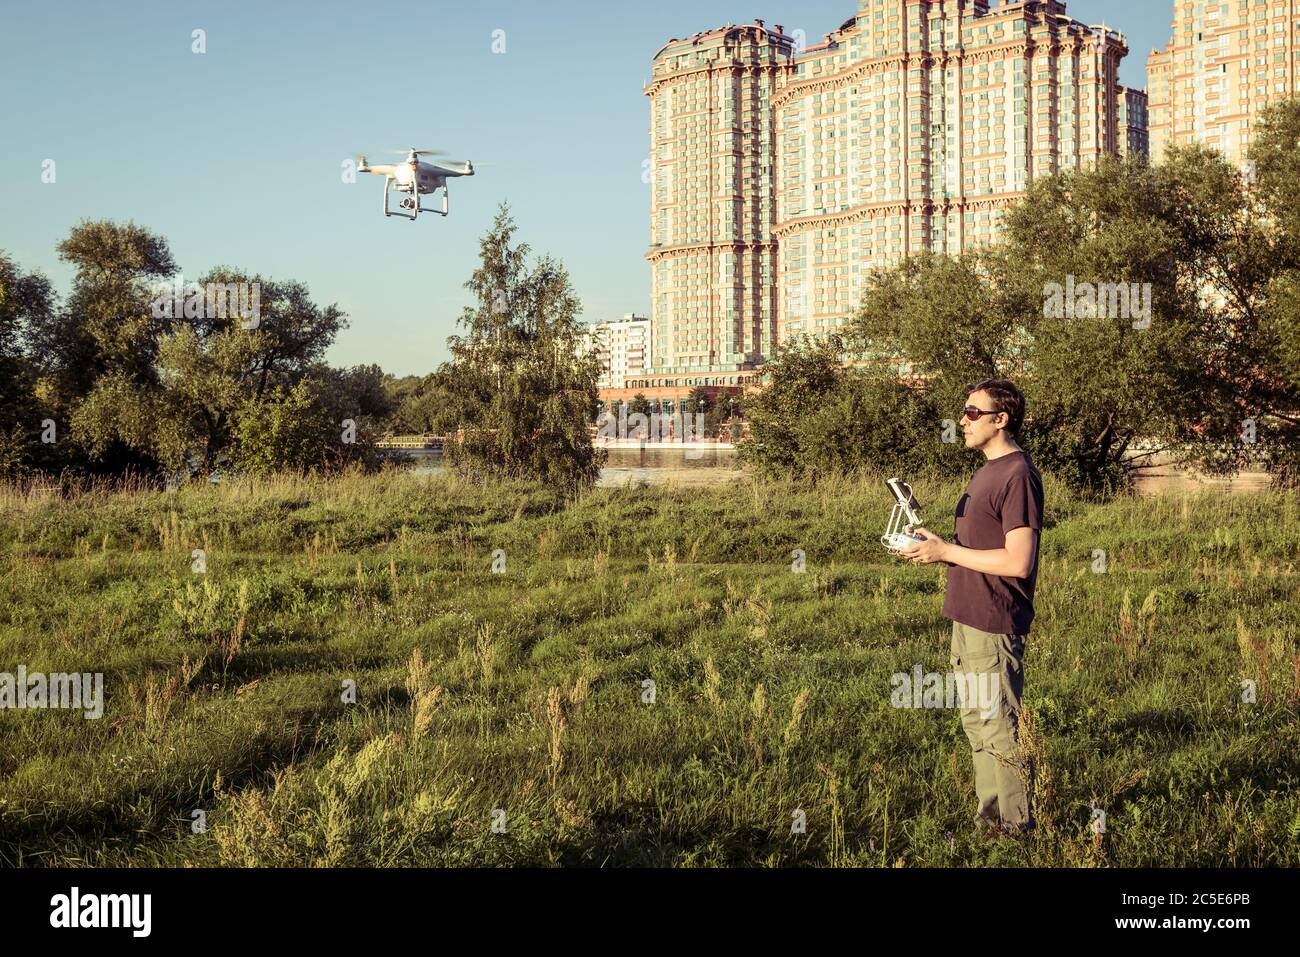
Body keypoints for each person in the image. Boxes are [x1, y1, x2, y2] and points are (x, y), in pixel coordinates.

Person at [901, 379, 1043, 838]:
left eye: (972, 413)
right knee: (978, 724)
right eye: (963, 412)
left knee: (999, 727)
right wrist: (935, 546)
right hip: (969, 616)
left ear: (1000, 420)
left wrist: (947, 553)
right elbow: (978, 545)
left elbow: (1018, 561)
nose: (962, 420)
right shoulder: (988, 469)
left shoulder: (1017, 474)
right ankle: (990, 824)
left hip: (994, 619)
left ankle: (1018, 830)